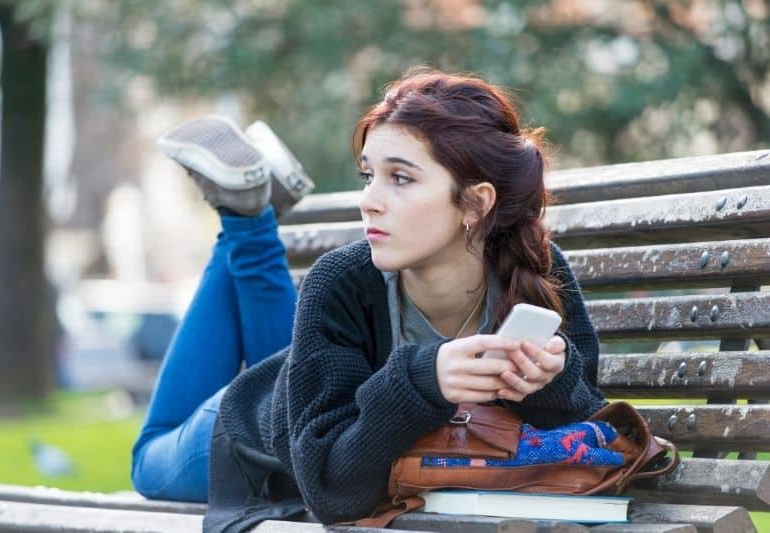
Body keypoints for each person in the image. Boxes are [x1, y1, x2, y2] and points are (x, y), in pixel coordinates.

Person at [131, 67, 606, 531]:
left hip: (314, 394)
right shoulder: (341, 280)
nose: (369, 201)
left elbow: (589, 434)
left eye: (400, 178)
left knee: (300, 364)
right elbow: (334, 497)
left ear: (476, 203)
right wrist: (424, 380)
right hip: (259, 434)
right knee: (148, 461)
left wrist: (549, 382)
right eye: (368, 176)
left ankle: (248, 209)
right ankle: (246, 218)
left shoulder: (538, 271)